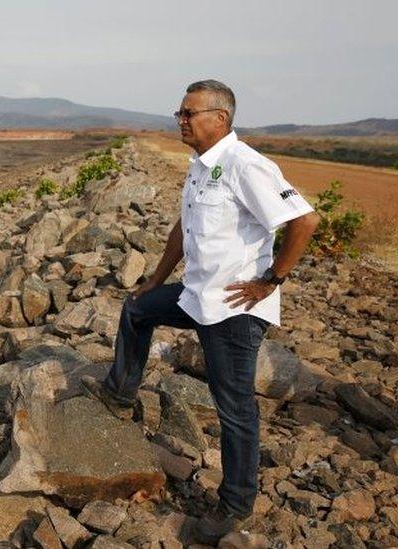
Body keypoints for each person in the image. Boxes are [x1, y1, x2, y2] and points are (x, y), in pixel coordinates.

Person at [81, 79, 319, 543]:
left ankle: (234, 506)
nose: (181, 120)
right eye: (180, 113)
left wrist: (270, 281)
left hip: (233, 308)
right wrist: (154, 278)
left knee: (234, 410)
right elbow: (184, 227)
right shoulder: (201, 164)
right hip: (197, 295)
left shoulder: (245, 164)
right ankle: (120, 392)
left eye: (190, 113)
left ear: (220, 119)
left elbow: (304, 221)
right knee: (137, 309)